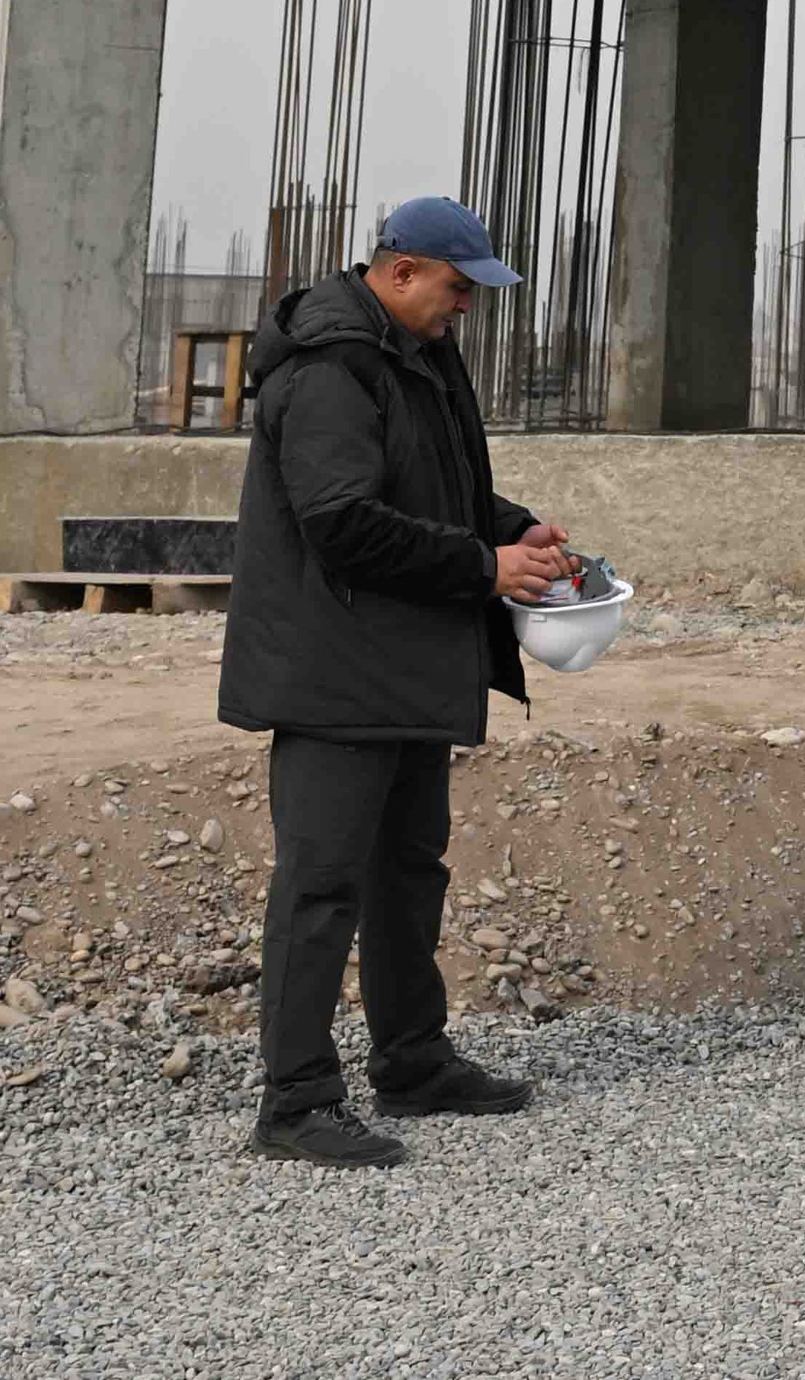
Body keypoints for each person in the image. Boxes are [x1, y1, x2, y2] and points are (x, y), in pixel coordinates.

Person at [221, 195, 576, 1166]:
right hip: (333, 672)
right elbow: (343, 523)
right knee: (321, 885)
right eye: (458, 288)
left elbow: (435, 487)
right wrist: (484, 568)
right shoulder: (331, 369)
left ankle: (413, 1062)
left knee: (408, 872)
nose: (466, 307)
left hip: (406, 665)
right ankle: (295, 1102)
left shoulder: (415, 353)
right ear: (402, 270)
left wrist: (514, 529)